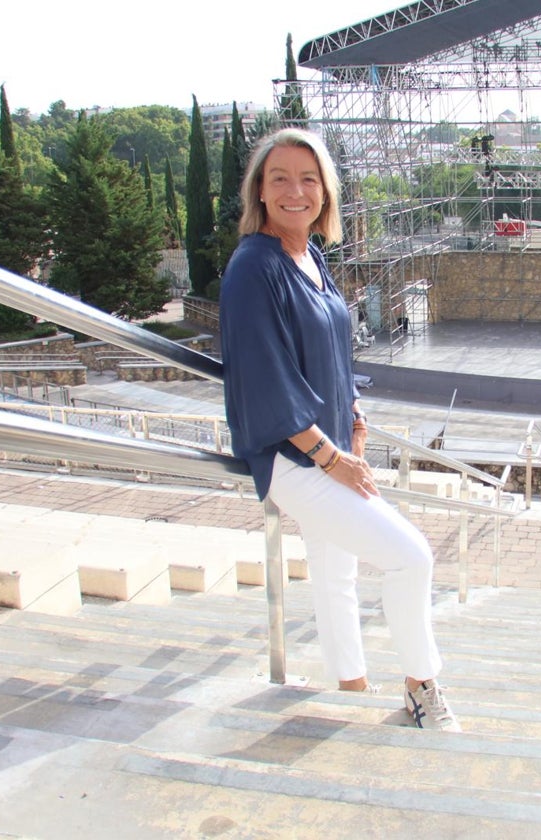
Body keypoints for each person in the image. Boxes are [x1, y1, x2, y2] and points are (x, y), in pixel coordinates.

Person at [219, 128, 459, 732]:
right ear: (260, 191)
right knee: (410, 557)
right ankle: (421, 685)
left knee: (336, 573)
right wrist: (330, 458)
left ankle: (350, 686)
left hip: (327, 444)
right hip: (293, 459)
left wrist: (352, 412)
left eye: (309, 178)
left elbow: (332, 349)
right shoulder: (254, 268)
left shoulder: (308, 255)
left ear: (325, 192)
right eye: (280, 178)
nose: (295, 190)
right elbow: (267, 373)